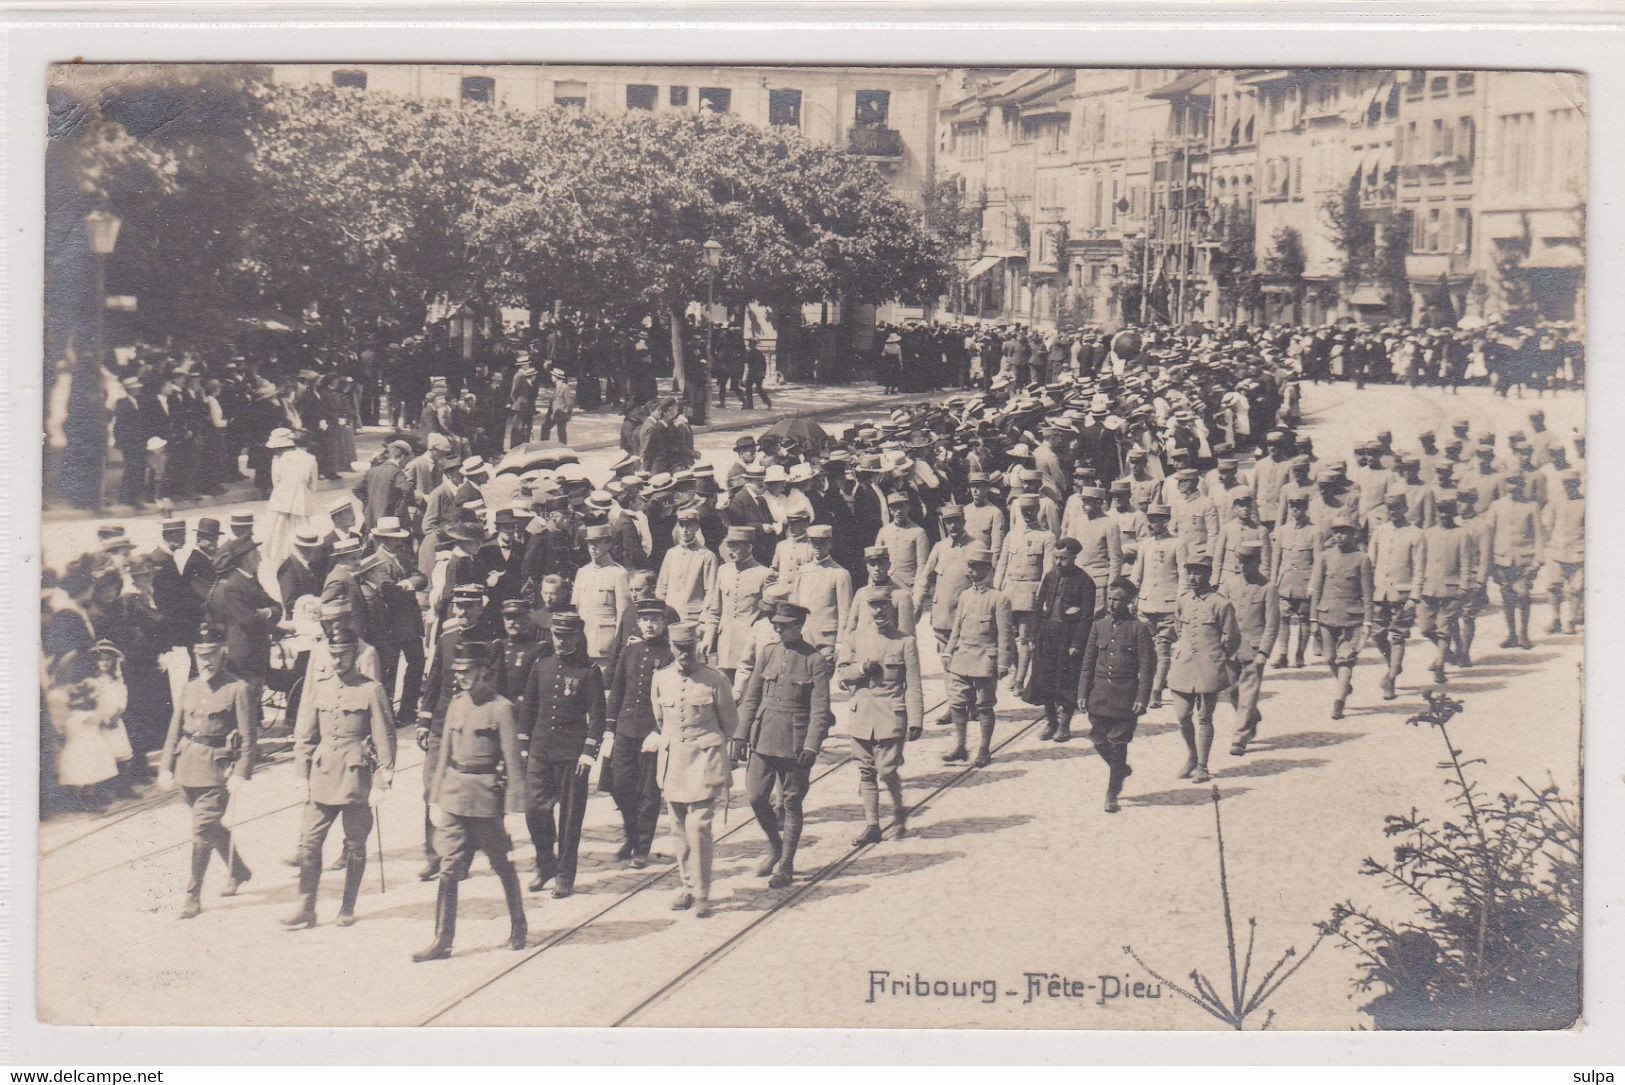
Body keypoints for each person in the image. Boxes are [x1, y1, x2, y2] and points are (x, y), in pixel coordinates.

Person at [414, 641, 528, 963]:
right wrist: (435, 799)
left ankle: (518, 922)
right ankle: (442, 939)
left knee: (501, 864)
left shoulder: (501, 709)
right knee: (448, 868)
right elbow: (444, 757)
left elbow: (513, 761)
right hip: (453, 796)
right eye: (458, 672)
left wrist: (514, 809)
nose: (461, 677)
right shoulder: (455, 704)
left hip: (484, 801)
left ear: (483, 672)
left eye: (467, 671)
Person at [283, 629, 395, 930]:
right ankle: (307, 906)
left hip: (355, 777)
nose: (336, 660)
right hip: (322, 774)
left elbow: (384, 736)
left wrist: (383, 781)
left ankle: (347, 906)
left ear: (355, 655)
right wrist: (300, 771)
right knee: (308, 843)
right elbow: (306, 733)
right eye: (332, 655)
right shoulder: (319, 687)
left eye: (342, 654)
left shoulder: (371, 690)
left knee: (355, 844)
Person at [157, 626, 256, 920]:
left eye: (211, 654)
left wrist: (241, 771)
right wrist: (165, 766)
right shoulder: (189, 688)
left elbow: (249, 737)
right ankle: (238, 870)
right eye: (200, 656)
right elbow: (175, 729)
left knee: (202, 830)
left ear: (222, 652)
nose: (206, 662)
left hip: (217, 769)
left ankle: (192, 893)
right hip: (188, 765)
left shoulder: (237, 689)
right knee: (210, 827)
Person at [733, 602, 834, 889]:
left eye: (784, 625)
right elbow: (752, 697)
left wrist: (812, 745)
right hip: (763, 738)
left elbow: (820, 709)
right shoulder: (767, 653)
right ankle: (775, 845)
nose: (778, 629)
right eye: (776, 624)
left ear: (799, 625)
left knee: (791, 803)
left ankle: (786, 863)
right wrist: (741, 734)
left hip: (795, 744)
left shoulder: (814, 660)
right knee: (754, 796)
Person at [648, 621, 737, 916]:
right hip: (674, 761)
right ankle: (687, 886)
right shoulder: (660, 679)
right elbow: (661, 720)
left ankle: (702, 893)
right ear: (671, 648)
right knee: (678, 830)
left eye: (689, 648)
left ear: (697, 646)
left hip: (704, 760)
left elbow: (730, 723)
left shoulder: (715, 680)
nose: (684, 654)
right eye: (678, 648)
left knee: (698, 827)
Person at [521, 611, 607, 898]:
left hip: (572, 754)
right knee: (534, 811)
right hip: (541, 750)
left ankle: (564, 875)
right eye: (557, 635)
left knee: (570, 819)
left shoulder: (588, 671)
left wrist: (588, 752)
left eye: (567, 636)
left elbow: (597, 715)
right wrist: (524, 746)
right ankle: (546, 864)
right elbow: (529, 709)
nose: (560, 641)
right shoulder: (541, 665)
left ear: (577, 637)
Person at [837, 593, 923, 844]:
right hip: (861, 715)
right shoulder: (854, 639)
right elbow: (842, 674)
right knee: (866, 771)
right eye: (873, 607)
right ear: (867, 610)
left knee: (886, 771)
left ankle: (898, 810)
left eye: (883, 606)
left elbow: (914, 684)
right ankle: (872, 825)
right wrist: (862, 668)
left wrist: (916, 719)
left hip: (890, 716)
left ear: (891, 608)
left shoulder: (905, 642)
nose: (879, 612)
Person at [1077, 578, 1156, 813]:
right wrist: (1082, 693)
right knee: (1098, 739)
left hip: (1125, 697)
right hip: (1099, 695)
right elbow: (1087, 663)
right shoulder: (1098, 626)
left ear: (1130, 601)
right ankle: (1120, 768)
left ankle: (1112, 794)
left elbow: (1146, 667)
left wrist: (1142, 698)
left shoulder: (1139, 629)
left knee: (1118, 743)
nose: (1112, 604)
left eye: (1118, 600)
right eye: (1110, 599)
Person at [606, 599, 673, 868]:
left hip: (651, 734)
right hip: (624, 729)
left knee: (648, 792)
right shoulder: (629, 651)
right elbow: (617, 690)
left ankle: (642, 847)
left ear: (664, 623)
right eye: (645, 619)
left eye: (655, 619)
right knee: (619, 785)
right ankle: (631, 835)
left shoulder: (670, 655)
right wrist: (610, 729)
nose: (649, 624)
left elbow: (670, 700)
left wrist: (659, 731)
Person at [1166, 549, 1240, 783]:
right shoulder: (1183, 601)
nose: (1193, 578)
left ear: (1208, 574)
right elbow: (1179, 630)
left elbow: (1232, 637)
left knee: (1205, 717)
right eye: (1190, 573)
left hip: (1209, 667)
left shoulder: (1221, 604)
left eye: (1198, 573)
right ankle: (1191, 754)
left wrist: (1217, 657)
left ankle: (1202, 766)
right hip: (1184, 665)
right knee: (1182, 715)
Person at [942, 546, 1014, 767]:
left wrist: (1003, 662)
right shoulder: (965, 595)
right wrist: (948, 650)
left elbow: (1005, 634)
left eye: (974, 567)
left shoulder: (999, 599)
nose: (970, 572)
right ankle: (961, 746)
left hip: (985, 659)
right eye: (969, 567)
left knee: (984, 706)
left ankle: (984, 749)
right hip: (962, 657)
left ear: (987, 569)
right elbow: (957, 626)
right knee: (956, 703)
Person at [1021, 537, 1096, 742]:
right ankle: (1051, 721)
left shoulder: (1085, 581)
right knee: (1044, 680)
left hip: (1068, 637)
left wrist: (1077, 644)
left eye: (1063, 558)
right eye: (1056, 557)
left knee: (1066, 682)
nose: (1058, 562)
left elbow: (1086, 617)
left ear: (1074, 557)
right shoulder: (1050, 576)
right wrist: (1033, 636)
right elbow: (1038, 607)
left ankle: (1064, 725)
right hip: (1047, 634)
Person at [1309, 514, 1374, 720]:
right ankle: (1345, 685)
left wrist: (1367, 621)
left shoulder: (1362, 559)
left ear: (1353, 534)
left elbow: (1367, 593)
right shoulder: (1325, 557)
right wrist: (1313, 619)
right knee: (1329, 657)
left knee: (1345, 659)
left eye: (1344, 531)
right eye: (1336, 531)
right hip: (1327, 615)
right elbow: (1317, 589)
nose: (1339, 535)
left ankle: (1339, 702)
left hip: (1352, 619)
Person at [1222, 541, 1280, 756]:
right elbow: (1220, 615)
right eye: (1240, 562)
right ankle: (1251, 717)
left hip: (1253, 649)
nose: (1243, 566)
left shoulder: (1268, 587)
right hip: (1230, 648)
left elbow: (1272, 623)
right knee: (1232, 692)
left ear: (1258, 562)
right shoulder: (1229, 584)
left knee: (1247, 694)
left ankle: (1239, 737)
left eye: (1248, 562)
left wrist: (1264, 652)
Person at [1369, 493, 1424, 701]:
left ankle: (1391, 678)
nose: (1392, 512)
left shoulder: (1415, 534)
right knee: (1377, 634)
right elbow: (1370, 563)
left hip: (1402, 593)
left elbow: (1420, 569)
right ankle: (1394, 664)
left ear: (1405, 507)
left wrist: (1414, 597)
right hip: (1380, 593)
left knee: (1398, 635)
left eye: (1396, 507)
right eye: (1389, 507)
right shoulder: (1380, 531)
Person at [1415, 496, 1474, 686]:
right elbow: (1420, 563)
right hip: (1428, 589)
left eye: (1447, 512)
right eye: (1440, 511)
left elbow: (1466, 564)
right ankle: (1448, 653)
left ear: (1454, 513)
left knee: (1444, 627)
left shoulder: (1462, 534)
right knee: (1425, 628)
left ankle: (1440, 665)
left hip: (1451, 589)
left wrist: (1464, 587)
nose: (1443, 516)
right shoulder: (1428, 533)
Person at [1484, 473, 1546, 650]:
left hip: (1524, 559)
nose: (1513, 487)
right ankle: (1511, 634)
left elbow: (1539, 535)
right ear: (1505, 485)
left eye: (1517, 483)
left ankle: (1524, 633)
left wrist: (1538, 559)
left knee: (1523, 594)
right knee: (1507, 597)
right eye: (1510, 483)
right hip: (1502, 559)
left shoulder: (1532, 506)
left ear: (1522, 485)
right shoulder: (1496, 506)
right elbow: (1489, 534)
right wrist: (1489, 562)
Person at [263, 427, 319, 577]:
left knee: (279, 529)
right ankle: (300, 556)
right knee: (299, 529)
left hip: (281, 497)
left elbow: (276, 480)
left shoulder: (279, 459)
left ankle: (278, 558)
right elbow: (313, 485)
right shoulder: (310, 459)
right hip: (301, 498)